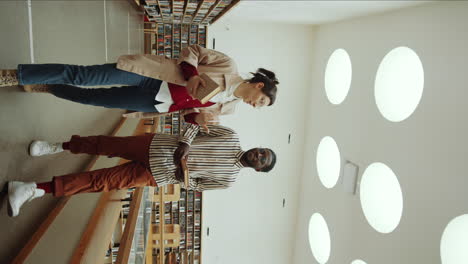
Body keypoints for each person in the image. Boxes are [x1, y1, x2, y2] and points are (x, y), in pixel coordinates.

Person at [4, 124, 277, 217]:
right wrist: (184, 143)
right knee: (103, 144)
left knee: (100, 182)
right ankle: (57, 146)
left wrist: (185, 175)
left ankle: (33, 188)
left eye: (262, 160)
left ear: (258, 169)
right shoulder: (231, 136)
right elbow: (195, 125)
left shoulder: (228, 180)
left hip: (157, 176)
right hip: (156, 145)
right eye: (262, 150)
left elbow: (195, 186)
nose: (258, 154)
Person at [0, 45, 279, 127]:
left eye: (261, 107)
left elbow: (187, 114)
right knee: (84, 76)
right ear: (258, 85)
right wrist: (192, 73)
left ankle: (49, 87)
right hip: (152, 77)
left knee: (92, 100)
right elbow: (191, 50)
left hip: (154, 103)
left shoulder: (228, 110)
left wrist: (198, 118)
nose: (257, 106)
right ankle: (17, 75)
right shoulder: (227, 65)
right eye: (262, 101)